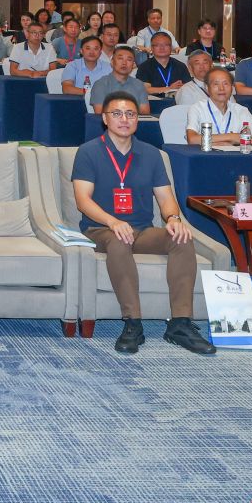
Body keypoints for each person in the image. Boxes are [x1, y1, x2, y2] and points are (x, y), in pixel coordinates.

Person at [71, 95, 216, 356]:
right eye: (117, 114)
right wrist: (113, 221)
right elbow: (83, 201)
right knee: (119, 240)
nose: (124, 119)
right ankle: (133, 324)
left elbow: (166, 198)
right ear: (105, 119)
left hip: (142, 230)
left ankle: (180, 324)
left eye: (130, 114)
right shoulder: (88, 151)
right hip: (100, 229)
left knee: (182, 238)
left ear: (138, 119)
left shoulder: (151, 154)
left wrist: (173, 220)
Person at [184, 67, 252, 146]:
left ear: (232, 88)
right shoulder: (197, 109)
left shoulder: (241, 110)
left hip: (234, 154)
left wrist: (238, 141)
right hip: (205, 155)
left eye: (225, 83)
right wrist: (231, 137)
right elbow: (192, 139)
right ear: (207, 88)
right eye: (216, 84)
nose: (221, 88)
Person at [88, 46, 151, 115]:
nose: (124, 63)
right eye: (120, 59)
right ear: (112, 62)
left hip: (133, 121)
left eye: (129, 60)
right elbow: (100, 112)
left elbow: (145, 112)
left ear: (133, 65)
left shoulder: (139, 85)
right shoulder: (100, 84)